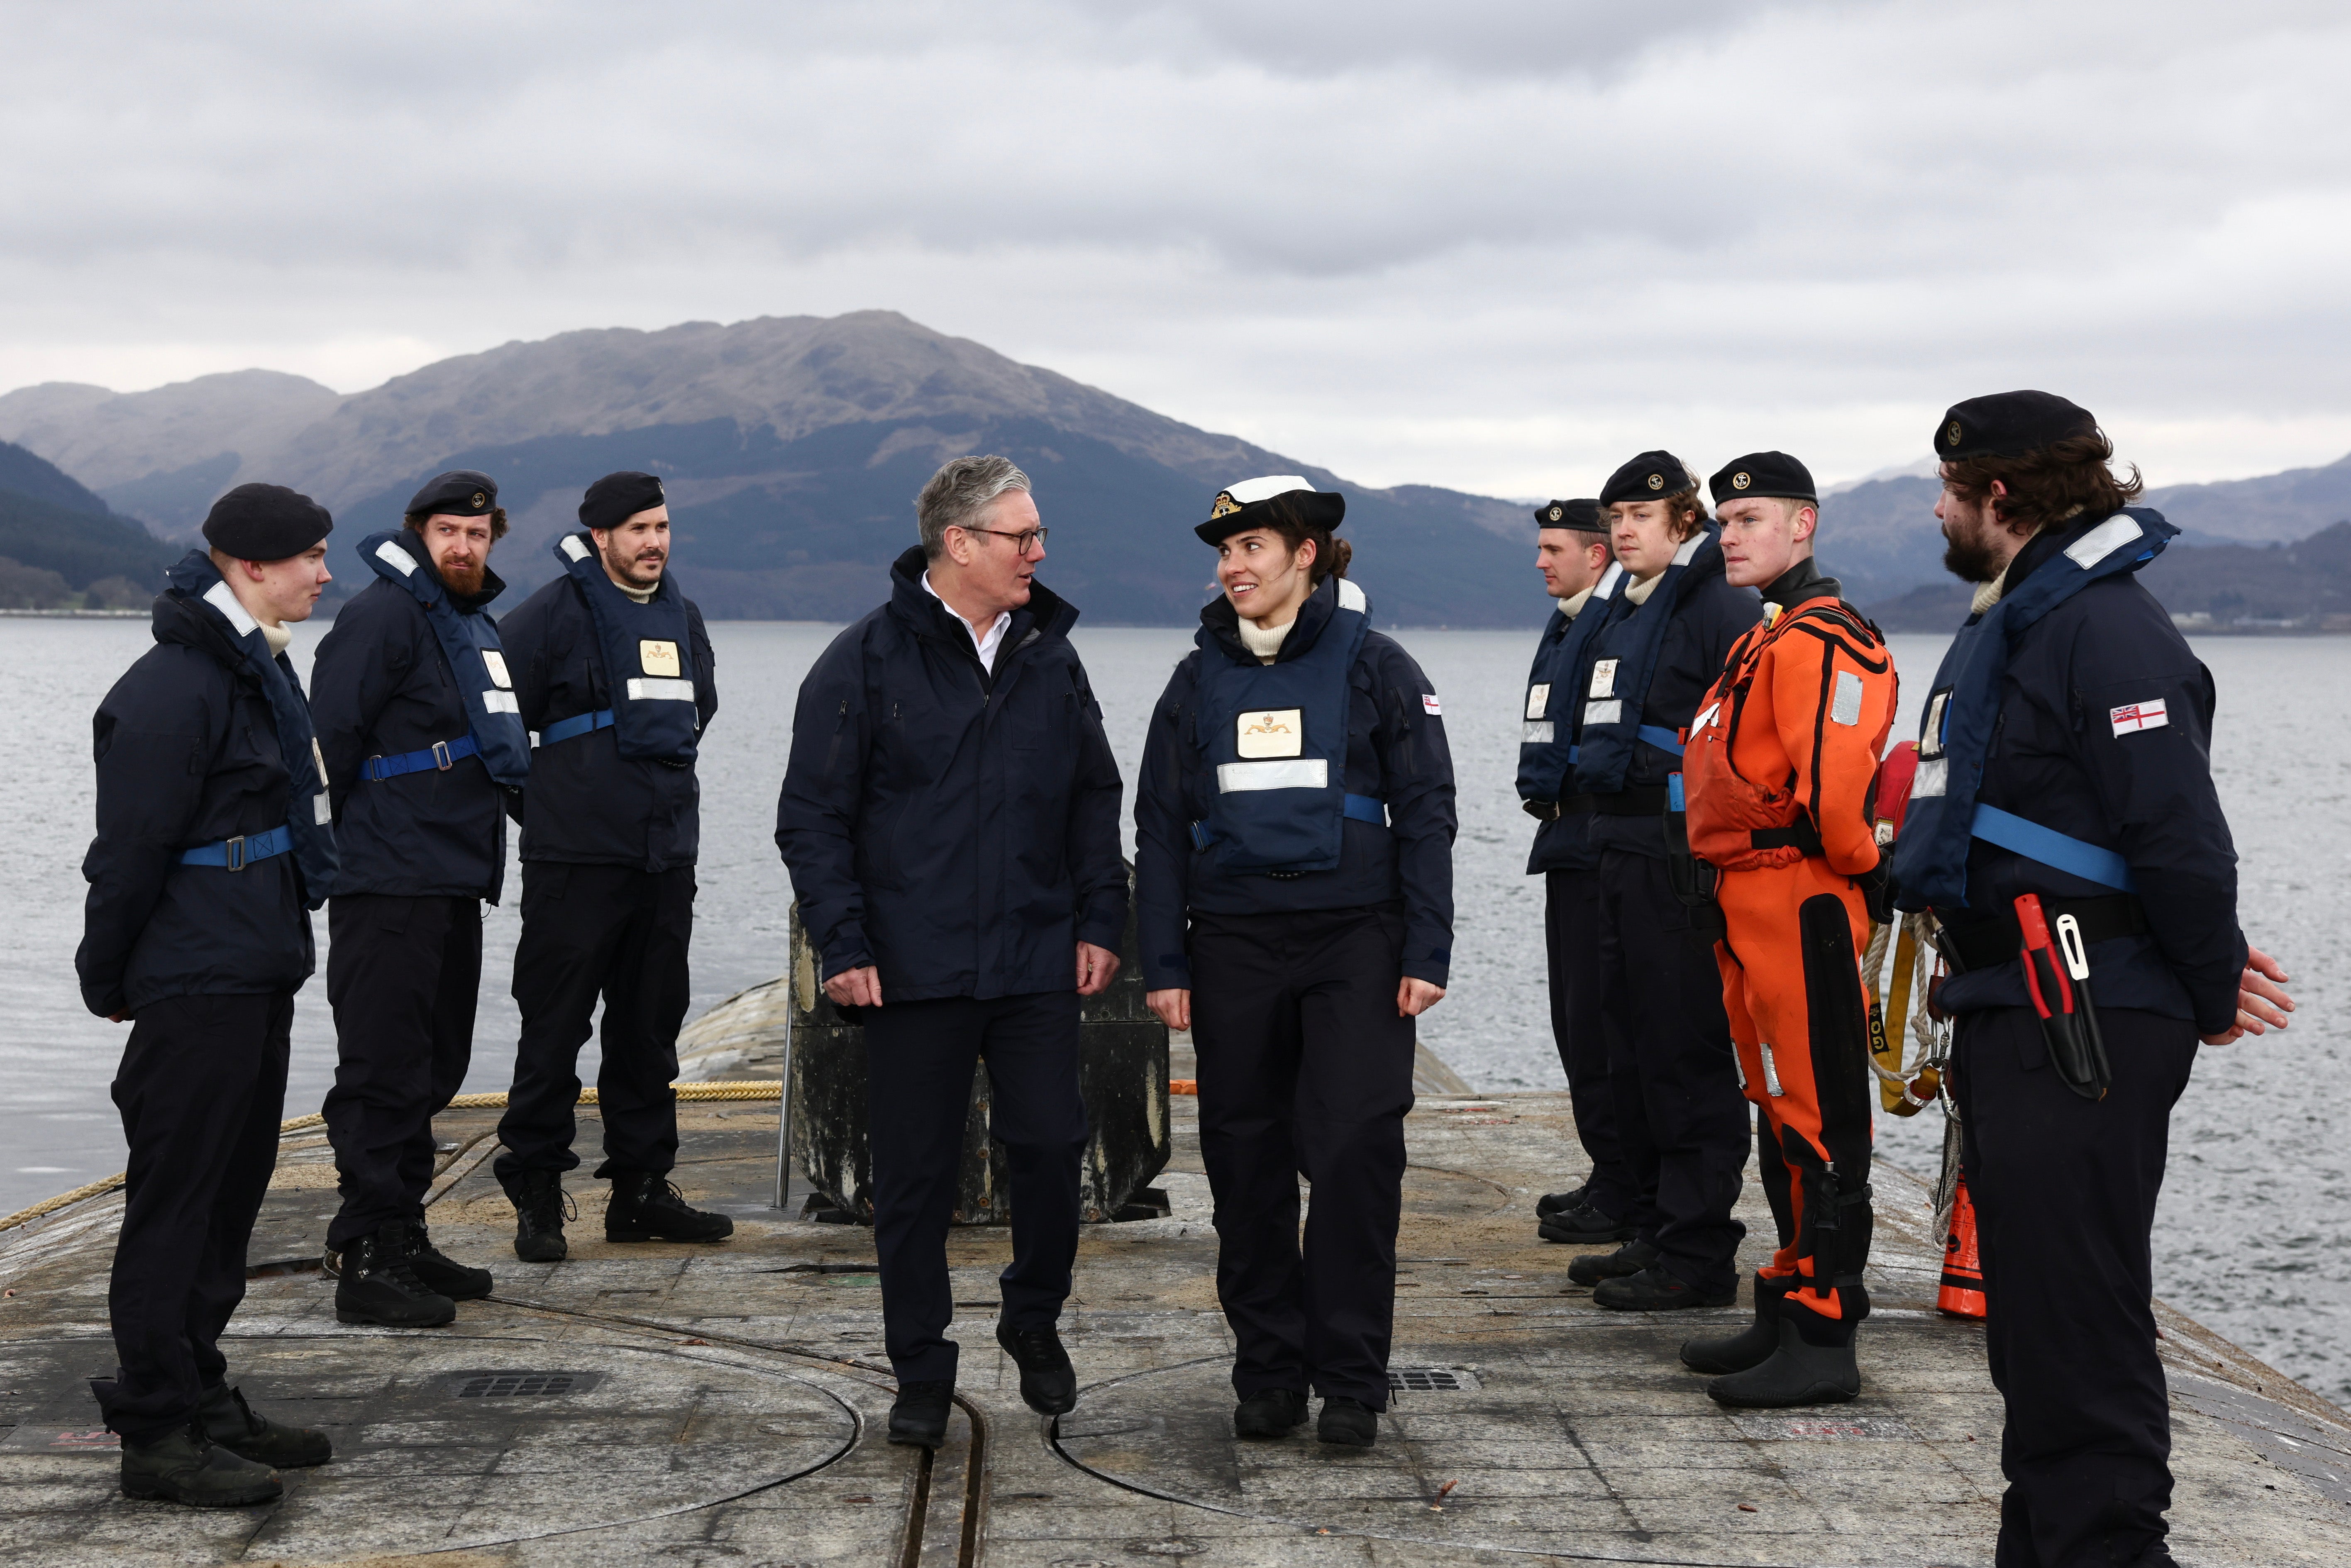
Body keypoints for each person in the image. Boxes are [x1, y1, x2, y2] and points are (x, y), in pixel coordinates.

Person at [1890, 392, 2293, 1568]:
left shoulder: (2109, 631)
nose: (1935, 507)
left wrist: (2210, 986)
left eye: (1949, 490)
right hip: (2016, 1003)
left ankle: (2112, 1551)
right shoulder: (2023, 618)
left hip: (2084, 1015)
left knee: (2081, 1313)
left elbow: (2176, 835)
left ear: (1998, 497)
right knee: (2034, 1318)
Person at [776, 455, 1127, 1448]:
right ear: (960, 544)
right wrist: (841, 944)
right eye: (1023, 537)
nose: (1040, 553)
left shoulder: (1051, 659)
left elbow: (1092, 799)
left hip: (1032, 962)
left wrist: (1102, 918)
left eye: (1038, 535)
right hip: (911, 970)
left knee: (1054, 1149)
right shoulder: (860, 662)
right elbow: (812, 819)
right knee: (916, 1181)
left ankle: (1032, 1315)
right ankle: (922, 1373)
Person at [1135, 475, 1457, 1450]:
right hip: (1231, 943)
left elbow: (1429, 812)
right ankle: (1268, 1370)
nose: (1233, 568)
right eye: (1224, 554)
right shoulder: (1195, 680)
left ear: (1305, 555)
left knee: (1356, 1154)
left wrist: (1426, 947)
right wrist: (1165, 962)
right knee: (1245, 1160)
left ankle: (1351, 1380)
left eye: (1252, 550)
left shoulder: (1379, 668)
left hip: (1355, 941)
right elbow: (1157, 828)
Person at [77, 483, 342, 1505]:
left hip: (253, 964)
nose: (325, 573)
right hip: (196, 979)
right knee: (177, 1207)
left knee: (229, 1201)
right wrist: (108, 976)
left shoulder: (251, 671)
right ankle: (157, 1433)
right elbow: (128, 854)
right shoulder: (174, 690)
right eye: (310, 557)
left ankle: (201, 1388)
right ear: (249, 566)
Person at [1674, 452, 1897, 1406]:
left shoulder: (1826, 639)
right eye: (1723, 520)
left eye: (1751, 518)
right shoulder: (1767, 636)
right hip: (1745, 894)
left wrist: (1856, 875)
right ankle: (1787, 1292)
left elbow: (1837, 798)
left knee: (1819, 1110)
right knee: (1772, 1099)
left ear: (1803, 526)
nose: (1729, 535)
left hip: (1799, 895)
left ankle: (1826, 1324)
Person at [310, 471, 532, 1327]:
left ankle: (402, 1228)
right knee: (382, 1066)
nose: (464, 548)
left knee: (434, 1064)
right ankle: (367, 1252)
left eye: (477, 536)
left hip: (450, 875)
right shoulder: (380, 617)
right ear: (418, 532)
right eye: (449, 532)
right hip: (385, 878)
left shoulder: (470, 624)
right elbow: (326, 747)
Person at [493, 471, 731, 1258]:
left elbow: (699, 712)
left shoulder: (682, 617)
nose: (654, 543)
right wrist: (555, 811)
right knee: (554, 1028)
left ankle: (639, 1188)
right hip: (574, 864)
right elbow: (498, 733)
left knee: (648, 1031)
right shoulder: (545, 618)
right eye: (637, 530)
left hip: (666, 862)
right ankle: (534, 1184)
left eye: (662, 527)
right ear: (600, 537)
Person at [1566, 451, 1760, 1310]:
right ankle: (1652, 1226)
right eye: (1613, 520)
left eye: (1639, 517)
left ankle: (1697, 1253)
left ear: (1684, 521)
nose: (1622, 531)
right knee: (1630, 1047)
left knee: (1683, 1053)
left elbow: (1746, 729)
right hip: (1619, 845)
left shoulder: (1717, 602)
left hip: (1678, 859)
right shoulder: (1630, 609)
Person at [1516, 498, 1638, 1247]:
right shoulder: (1568, 624)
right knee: (1575, 1023)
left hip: (1600, 844)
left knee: (1604, 1022)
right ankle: (1608, 1171)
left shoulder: (1614, 627)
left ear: (1597, 556)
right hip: (1567, 841)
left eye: (1553, 548)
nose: (1540, 561)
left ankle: (1625, 1185)